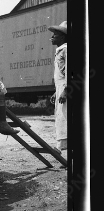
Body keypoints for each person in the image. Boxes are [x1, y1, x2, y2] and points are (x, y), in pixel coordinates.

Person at [48, 21, 67, 152]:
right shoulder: (60, 50)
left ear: (63, 37)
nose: (52, 37)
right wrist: (57, 91)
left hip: (67, 89)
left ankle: (61, 147)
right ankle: (61, 146)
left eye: (55, 35)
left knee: (65, 116)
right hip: (61, 88)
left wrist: (66, 91)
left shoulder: (66, 50)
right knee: (61, 117)